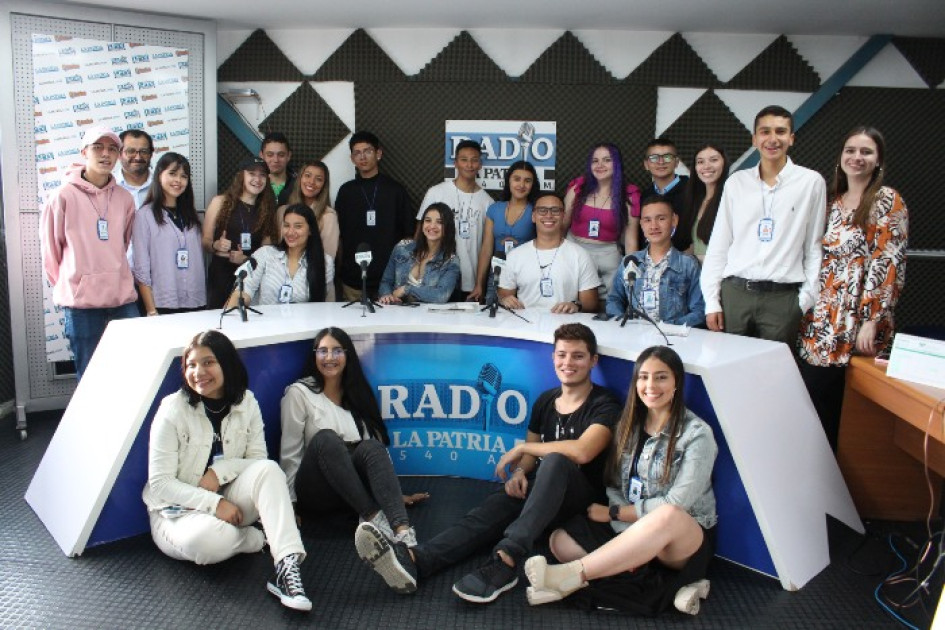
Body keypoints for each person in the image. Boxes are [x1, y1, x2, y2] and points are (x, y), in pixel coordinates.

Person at [355, 323, 622, 603]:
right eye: (562, 355)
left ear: (593, 360)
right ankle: (417, 559)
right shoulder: (546, 400)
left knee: (555, 462)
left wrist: (523, 449)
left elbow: (582, 452)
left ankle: (506, 560)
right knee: (485, 513)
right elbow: (531, 457)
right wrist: (520, 470)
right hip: (540, 497)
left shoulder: (604, 404)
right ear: (553, 357)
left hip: (582, 505)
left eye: (578, 356)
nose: (568, 362)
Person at [523, 345, 718, 616]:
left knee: (668, 515)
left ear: (676, 383)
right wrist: (627, 532)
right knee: (560, 540)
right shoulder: (628, 426)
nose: (651, 385)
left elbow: (678, 503)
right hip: (629, 525)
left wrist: (615, 513)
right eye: (644, 377)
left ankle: (572, 576)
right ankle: (664, 582)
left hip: (680, 538)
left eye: (661, 377)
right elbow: (615, 484)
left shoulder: (697, 434)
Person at [142, 330, 311, 611]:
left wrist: (220, 473)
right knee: (205, 542)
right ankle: (257, 538)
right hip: (178, 512)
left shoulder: (247, 402)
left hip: (231, 500)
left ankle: (287, 567)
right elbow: (160, 484)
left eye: (208, 362)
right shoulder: (172, 410)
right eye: (191, 365)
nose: (199, 372)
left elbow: (258, 462)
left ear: (226, 364)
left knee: (269, 471)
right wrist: (214, 502)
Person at [797, 126, 908, 451]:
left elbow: (889, 263)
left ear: (878, 161)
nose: (857, 157)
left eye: (866, 152)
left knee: (845, 422)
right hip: (819, 323)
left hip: (855, 324)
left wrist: (872, 318)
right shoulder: (830, 201)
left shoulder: (888, 201)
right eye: (851, 150)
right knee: (812, 409)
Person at [280, 328, 428, 561]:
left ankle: (403, 534)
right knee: (326, 439)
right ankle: (376, 521)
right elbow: (290, 454)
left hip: (352, 493)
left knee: (371, 446)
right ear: (314, 355)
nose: (330, 358)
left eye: (337, 351)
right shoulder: (299, 393)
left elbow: (376, 454)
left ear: (347, 355)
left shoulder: (357, 394)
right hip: (316, 488)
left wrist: (393, 496)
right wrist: (289, 506)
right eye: (323, 351)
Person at [701, 105, 827, 345]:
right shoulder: (736, 183)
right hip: (735, 294)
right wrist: (712, 301)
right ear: (755, 139)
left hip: (782, 299)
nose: (772, 139)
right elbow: (719, 245)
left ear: (791, 138)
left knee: (774, 377)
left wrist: (805, 301)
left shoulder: (811, 182)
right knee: (729, 371)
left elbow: (814, 245)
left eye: (780, 131)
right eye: (765, 131)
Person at [40, 126, 138, 381]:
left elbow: (123, 244)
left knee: (133, 369)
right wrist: (73, 283)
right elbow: (52, 250)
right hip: (81, 302)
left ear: (118, 156)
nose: (105, 154)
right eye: (98, 147)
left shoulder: (125, 199)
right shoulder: (62, 196)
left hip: (121, 298)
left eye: (112, 149)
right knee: (90, 375)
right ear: (84, 152)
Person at [335, 131, 415, 301]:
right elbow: (339, 236)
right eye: (357, 153)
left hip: (388, 282)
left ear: (378, 153)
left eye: (368, 151)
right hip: (352, 281)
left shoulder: (395, 190)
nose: (362, 157)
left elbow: (408, 236)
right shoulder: (346, 191)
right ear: (352, 159)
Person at [605, 197, 705, 327]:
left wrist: (669, 327)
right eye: (647, 220)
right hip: (634, 338)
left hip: (672, 340)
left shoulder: (688, 264)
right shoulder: (630, 262)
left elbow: (699, 310)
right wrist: (625, 324)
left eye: (661, 218)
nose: (654, 226)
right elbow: (614, 300)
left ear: (674, 220)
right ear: (641, 224)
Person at [417, 139, 493, 300]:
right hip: (434, 279)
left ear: (480, 164)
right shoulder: (436, 192)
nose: (469, 165)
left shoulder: (487, 202)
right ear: (456, 163)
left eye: (474, 160)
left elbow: (486, 248)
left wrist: (479, 283)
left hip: (468, 282)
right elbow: (419, 235)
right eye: (464, 160)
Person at [498, 193, 599, 314]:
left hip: (566, 327)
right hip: (524, 326)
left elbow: (592, 303)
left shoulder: (580, 255)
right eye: (542, 210)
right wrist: (505, 299)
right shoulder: (515, 255)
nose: (549, 215)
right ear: (533, 216)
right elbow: (504, 295)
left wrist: (575, 305)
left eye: (555, 210)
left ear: (563, 216)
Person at [133, 152, 206, 316]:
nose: (178, 181)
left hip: (195, 300)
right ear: (159, 175)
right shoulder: (145, 215)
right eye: (172, 174)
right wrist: (151, 310)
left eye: (183, 176)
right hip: (162, 303)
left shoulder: (191, 216)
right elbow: (141, 267)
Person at [563, 144, 642, 297]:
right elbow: (562, 226)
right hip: (574, 253)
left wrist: (631, 271)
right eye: (595, 161)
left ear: (617, 164)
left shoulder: (629, 195)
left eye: (607, 160)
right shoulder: (577, 189)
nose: (600, 165)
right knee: (569, 302)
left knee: (611, 305)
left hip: (608, 256)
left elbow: (631, 241)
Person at [202, 157, 279, 309]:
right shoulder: (220, 202)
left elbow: (267, 254)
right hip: (221, 275)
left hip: (251, 278)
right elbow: (205, 241)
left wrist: (245, 259)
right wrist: (215, 245)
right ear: (241, 176)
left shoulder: (268, 210)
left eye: (262, 175)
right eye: (252, 174)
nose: (257, 179)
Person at [227, 204, 330, 306]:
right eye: (286, 225)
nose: (290, 232)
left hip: (300, 322)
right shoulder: (265, 254)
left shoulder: (325, 263)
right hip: (264, 321)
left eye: (298, 226)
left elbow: (322, 307)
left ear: (310, 230)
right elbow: (243, 291)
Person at [468, 161, 538, 304]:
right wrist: (479, 284)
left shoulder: (536, 211)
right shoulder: (494, 209)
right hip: (497, 273)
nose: (521, 185)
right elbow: (487, 249)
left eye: (527, 180)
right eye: (517, 179)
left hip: (525, 274)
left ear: (533, 184)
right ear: (508, 181)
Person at [377, 203, 460, 305]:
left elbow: (441, 296)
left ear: (448, 228)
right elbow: (386, 282)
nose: (432, 226)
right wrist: (386, 295)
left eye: (440, 222)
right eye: (428, 220)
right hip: (396, 314)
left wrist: (407, 289)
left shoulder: (451, 261)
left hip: (429, 318)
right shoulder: (402, 248)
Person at [280, 160, 339, 300]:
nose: (311, 182)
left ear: (324, 185)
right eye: (307, 175)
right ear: (300, 178)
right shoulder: (282, 212)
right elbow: (274, 252)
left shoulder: (328, 216)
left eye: (318, 179)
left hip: (314, 285)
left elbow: (327, 260)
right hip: (280, 282)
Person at [640, 138, 690, 252]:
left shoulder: (693, 191)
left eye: (667, 157)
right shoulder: (644, 196)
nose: (661, 162)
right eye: (654, 158)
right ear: (646, 164)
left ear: (677, 162)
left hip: (687, 262)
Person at [682, 144, 730, 262]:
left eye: (713, 160)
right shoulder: (695, 200)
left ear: (724, 163)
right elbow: (697, 246)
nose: (706, 166)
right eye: (700, 162)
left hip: (721, 275)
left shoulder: (730, 199)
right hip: (697, 275)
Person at [116, 129, 153, 209]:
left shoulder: (163, 186)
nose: (138, 157)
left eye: (144, 151)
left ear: (151, 154)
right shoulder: (108, 188)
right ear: (119, 154)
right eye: (130, 151)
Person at [260, 132, 295, 206]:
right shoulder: (254, 184)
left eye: (281, 155)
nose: (275, 160)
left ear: (289, 156)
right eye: (270, 155)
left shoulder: (299, 186)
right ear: (261, 155)